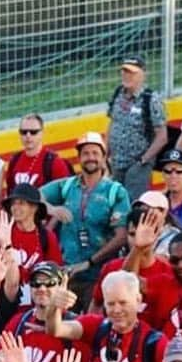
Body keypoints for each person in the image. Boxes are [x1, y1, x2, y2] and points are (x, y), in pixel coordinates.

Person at [40, 132, 131, 309]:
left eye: (95, 153)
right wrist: (51, 209)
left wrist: (89, 263)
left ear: (104, 157)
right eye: (86, 153)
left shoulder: (115, 192)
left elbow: (121, 236)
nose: (91, 158)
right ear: (79, 158)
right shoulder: (67, 186)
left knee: (92, 326)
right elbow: (32, 194)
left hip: (100, 276)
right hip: (68, 274)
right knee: (63, 325)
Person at [46, 269, 166, 362]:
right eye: (110, 304)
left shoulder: (154, 341)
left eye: (123, 303)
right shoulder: (97, 326)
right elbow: (56, 330)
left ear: (138, 300)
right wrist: (54, 307)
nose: (116, 310)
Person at [105, 56, 168, 200]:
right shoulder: (117, 93)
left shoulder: (151, 99)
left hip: (137, 165)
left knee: (132, 204)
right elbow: (111, 123)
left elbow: (162, 136)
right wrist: (105, 154)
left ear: (142, 75)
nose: (126, 75)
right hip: (116, 163)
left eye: (131, 72)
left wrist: (143, 160)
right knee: (114, 203)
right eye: (124, 71)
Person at [4, 114, 71, 193]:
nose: (28, 136)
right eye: (23, 132)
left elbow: (65, 194)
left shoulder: (54, 162)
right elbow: (10, 191)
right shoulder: (15, 160)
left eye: (33, 132)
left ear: (42, 133)